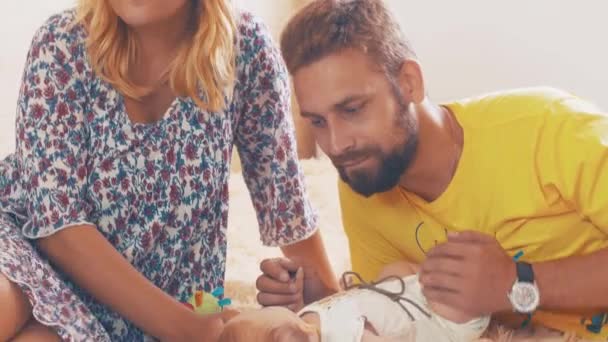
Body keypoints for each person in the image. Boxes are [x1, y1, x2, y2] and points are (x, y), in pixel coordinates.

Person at [256, 0, 608, 339]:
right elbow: (399, 316)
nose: (335, 144)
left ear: (410, 82)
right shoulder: (365, 182)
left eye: (352, 109)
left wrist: (517, 284)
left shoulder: (547, 128)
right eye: (317, 121)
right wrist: (318, 306)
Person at [0, 0, 338, 340]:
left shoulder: (246, 47)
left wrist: (331, 305)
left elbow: (285, 202)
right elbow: (56, 225)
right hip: (31, 246)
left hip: (177, 295)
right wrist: (194, 332)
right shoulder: (62, 42)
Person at [224, 261, 489, 342]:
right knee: (458, 293)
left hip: (397, 292)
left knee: (391, 270)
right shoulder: (346, 337)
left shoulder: (304, 318)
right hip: (437, 317)